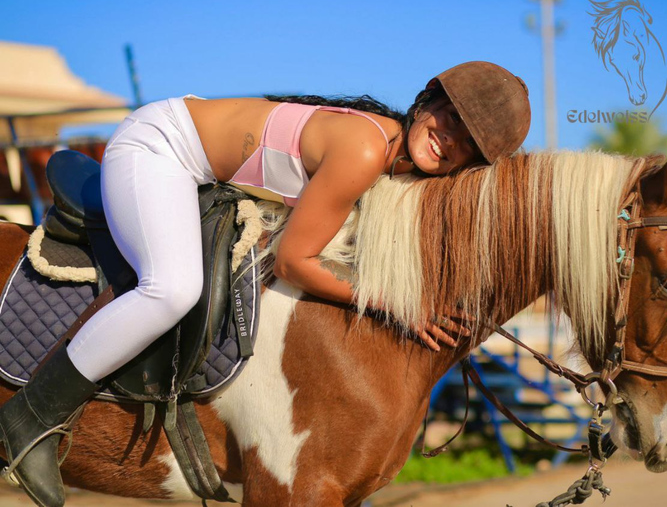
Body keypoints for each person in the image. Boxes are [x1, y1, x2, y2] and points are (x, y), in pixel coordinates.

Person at [0, 61, 530, 506]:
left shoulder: (394, 161)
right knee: (173, 287)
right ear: (427, 97)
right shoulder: (367, 149)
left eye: (468, 142)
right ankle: (29, 420)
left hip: (197, 173)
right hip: (158, 149)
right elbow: (297, 262)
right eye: (450, 115)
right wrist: (397, 308)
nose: (449, 137)